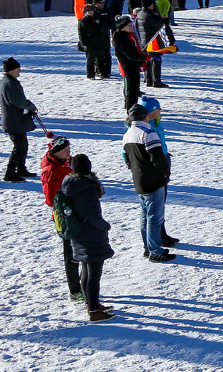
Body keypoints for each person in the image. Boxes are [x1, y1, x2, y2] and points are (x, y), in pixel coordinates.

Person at [56, 153, 116, 321]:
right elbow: (94, 216)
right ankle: (94, 311)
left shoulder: (68, 184)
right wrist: (106, 226)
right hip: (92, 235)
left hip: (77, 234)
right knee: (94, 274)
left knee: (85, 270)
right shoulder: (88, 188)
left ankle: (91, 304)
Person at [122, 102, 175, 261]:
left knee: (145, 216)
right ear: (145, 116)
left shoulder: (128, 134)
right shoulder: (148, 133)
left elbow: (128, 159)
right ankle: (155, 251)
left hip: (139, 181)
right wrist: (164, 175)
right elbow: (157, 159)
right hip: (153, 181)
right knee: (155, 218)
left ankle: (148, 247)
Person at [41, 136, 82, 300]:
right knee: (71, 253)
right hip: (65, 216)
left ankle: (83, 284)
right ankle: (75, 290)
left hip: (78, 210)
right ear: (55, 152)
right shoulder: (51, 171)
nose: (68, 151)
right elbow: (51, 199)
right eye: (64, 149)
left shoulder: (66, 161)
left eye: (68, 147)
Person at [3, 57, 48, 182]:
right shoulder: (10, 83)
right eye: (18, 68)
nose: (20, 70)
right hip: (14, 121)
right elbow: (18, 101)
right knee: (20, 147)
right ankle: (10, 172)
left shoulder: (8, 81)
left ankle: (20, 169)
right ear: (12, 70)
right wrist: (31, 106)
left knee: (23, 145)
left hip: (14, 120)